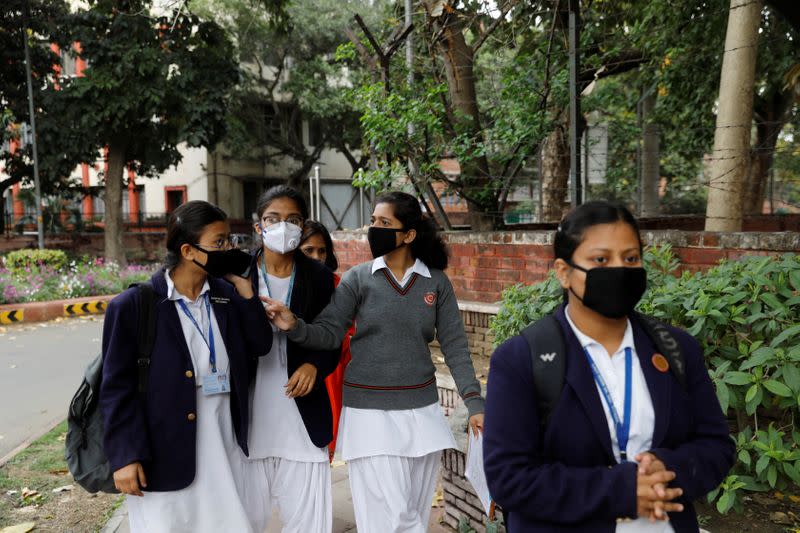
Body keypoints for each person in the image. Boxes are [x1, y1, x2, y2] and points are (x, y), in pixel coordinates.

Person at [483, 201, 734, 532]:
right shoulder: (521, 359)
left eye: (631, 259)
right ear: (564, 272)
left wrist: (668, 468)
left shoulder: (676, 349)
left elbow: (716, 445)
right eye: (601, 260)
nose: (620, 270)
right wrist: (621, 490)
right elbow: (509, 478)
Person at [266, 191, 485, 533]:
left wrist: (474, 402)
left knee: (412, 512)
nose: (374, 229)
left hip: (422, 414)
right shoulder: (359, 278)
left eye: (384, 223)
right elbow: (330, 332)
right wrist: (295, 325)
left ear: (408, 234)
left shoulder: (436, 282)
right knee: (391, 521)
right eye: (373, 221)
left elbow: (455, 345)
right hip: (369, 414)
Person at [100, 200, 271, 533]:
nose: (229, 249)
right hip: (164, 450)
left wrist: (248, 294)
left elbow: (260, 345)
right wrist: (124, 456)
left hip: (225, 443)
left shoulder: (227, 295)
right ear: (188, 251)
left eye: (229, 241)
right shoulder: (135, 306)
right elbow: (116, 389)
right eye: (219, 242)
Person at [241, 185, 341, 533]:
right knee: (242, 519)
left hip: (301, 412)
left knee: (309, 521)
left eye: (293, 219)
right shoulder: (236, 274)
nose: (283, 226)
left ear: (303, 224)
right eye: (273, 218)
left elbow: (333, 336)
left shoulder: (320, 278)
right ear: (259, 226)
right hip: (248, 415)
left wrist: (315, 364)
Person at [299, 220, 353, 460]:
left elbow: (349, 332)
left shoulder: (337, 286)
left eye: (322, 251)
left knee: (323, 444)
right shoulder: (283, 285)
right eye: (308, 250)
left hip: (330, 370)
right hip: (291, 371)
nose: (317, 257)